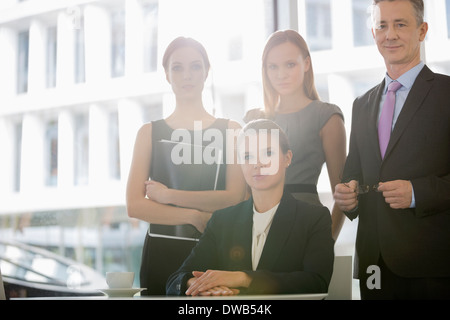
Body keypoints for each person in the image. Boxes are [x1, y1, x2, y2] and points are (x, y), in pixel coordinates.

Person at [334, 0, 450, 299]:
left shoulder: (446, 94)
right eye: (382, 26)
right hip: (375, 265)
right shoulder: (362, 104)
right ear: (374, 34)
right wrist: (348, 196)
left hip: (433, 266)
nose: (390, 34)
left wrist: (417, 192)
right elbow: (353, 173)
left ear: (422, 30)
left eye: (401, 24)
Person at [126, 37, 246, 295]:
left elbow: (235, 197)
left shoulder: (232, 131)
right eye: (177, 67)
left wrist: (169, 196)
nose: (186, 75)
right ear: (167, 75)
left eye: (195, 66)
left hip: (216, 252)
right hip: (161, 252)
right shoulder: (148, 133)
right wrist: (193, 216)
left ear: (206, 72)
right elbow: (135, 205)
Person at [166, 119, 334, 296]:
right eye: (247, 156)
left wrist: (243, 278)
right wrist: (197, 284)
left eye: (268, 153)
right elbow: (175, 280)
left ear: (287, 158)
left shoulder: (314, 218)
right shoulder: (222, 221)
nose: (257, 164)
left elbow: (316, 283)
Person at [244, 30, 347, 241]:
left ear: (306, 64)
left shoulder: (326, 116)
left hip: (306, 227)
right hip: (257, 228)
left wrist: (326, 242)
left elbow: (343, 194)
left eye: (290, 64)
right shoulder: (253, 119)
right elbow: (244, 190)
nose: (281, 74)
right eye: (273, 66)